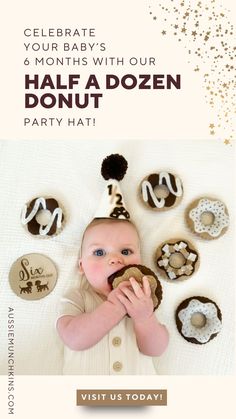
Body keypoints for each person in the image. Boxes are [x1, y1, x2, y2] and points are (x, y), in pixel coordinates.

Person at [56, 217, 169, 374]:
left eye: (125, 251)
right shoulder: (78, 297)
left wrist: (145, 318)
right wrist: (114, 307)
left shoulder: (143, 300)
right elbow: (73, 339)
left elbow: (156, 350)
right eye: (99, 252)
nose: (115, 259)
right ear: (82, 266)